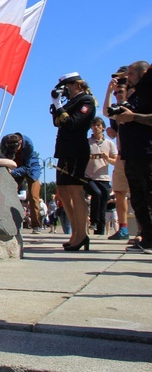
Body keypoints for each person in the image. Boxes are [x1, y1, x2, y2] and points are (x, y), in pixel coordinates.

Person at [50, 72, 96, 252]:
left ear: (75, 85)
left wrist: (58, 105)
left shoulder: (86, 101)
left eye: (67, 86)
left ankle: (81, 234)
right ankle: (75, 232)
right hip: (64, 150)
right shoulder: (70, 102)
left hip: (76, 149)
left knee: (76, 191)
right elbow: (57, 122)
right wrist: (57, 105)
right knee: (62, 190)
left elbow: (72, 123)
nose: (65, 90)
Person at [111, 61, 152, 254]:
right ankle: (147, 237)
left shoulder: (149, 93)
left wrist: (134, 117)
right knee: (137, 199)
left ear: (143, 73)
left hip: (146, 153)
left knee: (149, 195)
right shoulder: (134, 95)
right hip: (130, 154)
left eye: (131, 75)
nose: (127, 79)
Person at [105, 67, 131, 240]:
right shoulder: (116, 108)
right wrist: (108, 90)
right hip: (122, 155)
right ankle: (123, 227)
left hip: (139, 153)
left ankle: (145, 230)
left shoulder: (139, 104)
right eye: (115, 93)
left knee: (140, 192)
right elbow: (107, 113)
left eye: (120, 91)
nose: (118, 95)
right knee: (120, 192)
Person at [0, 133, 42, 234]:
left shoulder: (28, 144)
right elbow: (3, 157)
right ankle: (6, 221)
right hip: (14, 166)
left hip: (30, 167)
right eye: (11, 148)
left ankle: (36, 224)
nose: (14, 151)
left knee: (33, 196)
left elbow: (27, 168)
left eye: (16, 148)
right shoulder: (4, 141)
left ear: (20, 143)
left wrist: (13, 172)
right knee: (7, 192)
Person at [84, 117, 117, 236]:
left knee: (103, 204)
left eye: (98, 125)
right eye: (93, 125)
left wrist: (107, 158)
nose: (96, 128)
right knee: (96, 193)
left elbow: (115, 160)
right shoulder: (87, 142)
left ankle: (100, 232)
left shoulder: (109, 143)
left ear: (103, 127)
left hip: (103, 178)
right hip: (89, 177)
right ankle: (94, 221)